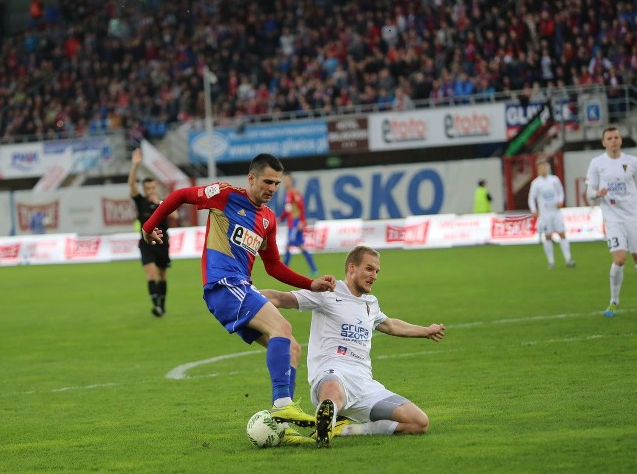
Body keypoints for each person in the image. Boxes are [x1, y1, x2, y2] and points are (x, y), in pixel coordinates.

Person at [141, 153, 337, 443]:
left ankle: (281, 428)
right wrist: (148, 226)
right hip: (223, 285)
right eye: (267, 181)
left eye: (277, 183)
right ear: (251, 178)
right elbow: (182, 195)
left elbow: (273, 266)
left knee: (291, 347)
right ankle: (284, 406)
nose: (272, 188)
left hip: (241, 288)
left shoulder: (268, 220)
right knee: (282, 327)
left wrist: (311, 284)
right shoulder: (224, 195)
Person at [261, 245, 446, 448]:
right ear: (352, 267)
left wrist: (426, 331)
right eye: (369, 269)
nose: (374, 275)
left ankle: (345, 429)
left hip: (364, 384)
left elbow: (391, 325)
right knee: (333, 389)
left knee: (418, 422)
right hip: (330, 374)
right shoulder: (327, 292)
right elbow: (280, 298)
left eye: (376, 271)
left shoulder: (370, 303)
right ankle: (328, 417)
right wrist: (241, 293)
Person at [585, 126, 637, 317]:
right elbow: (589, 192)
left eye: (616, 137)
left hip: (633, 217)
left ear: (621, 140)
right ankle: (614, 301)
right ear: (603, 142)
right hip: (613, 219)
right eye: (609, 138)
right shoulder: (597, 163)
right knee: (619, 259)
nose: (613, 140)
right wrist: (597, 194)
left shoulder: (632, 162)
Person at [129, 148, 175, 317]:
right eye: (147, 188)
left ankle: (162, 305)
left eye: (153, 187)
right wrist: (135, 165)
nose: (150, 190)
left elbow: (175, 215)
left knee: (162, 275)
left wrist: (160, 203)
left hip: (162, 242)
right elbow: (131, 185)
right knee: (150, 273)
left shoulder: (162, 202)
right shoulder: (140, 201)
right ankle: (155, 305)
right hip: (146, 243)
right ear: (144, 188)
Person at [527, 160, 575, 269]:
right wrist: (534, 210)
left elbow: (560, 192)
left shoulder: (554, 180)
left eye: (545, 167)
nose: (543, 170)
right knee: (548, 236)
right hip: (545, 214)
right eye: (541, 168)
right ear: (538, 170)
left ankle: (568, 259)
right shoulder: (536, 183)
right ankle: (551, 261)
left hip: (556, 212)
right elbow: (531, 198)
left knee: (562, 234)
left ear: (548, 169)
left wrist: (560, 201)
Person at [278, 172, 318, 274]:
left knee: (289, 245)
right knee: (300, 245)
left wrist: (302, 221)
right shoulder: (287, 194)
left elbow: (301, 208)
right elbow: (288, 210)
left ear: (291, 181)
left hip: (296, 223)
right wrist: (280, 219)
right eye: (284, 180)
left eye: (287, 180)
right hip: (292, 223)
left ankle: (283, 270)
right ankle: (314, 269)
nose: (285, 182)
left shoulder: (294, 193)